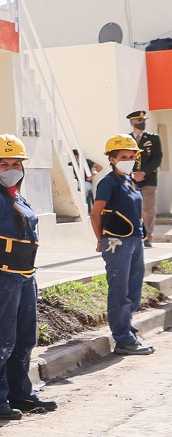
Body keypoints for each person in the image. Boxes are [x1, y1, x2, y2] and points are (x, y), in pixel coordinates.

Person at [0, 134, 56, 423]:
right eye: (4, 164)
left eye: (16, 163)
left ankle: (20, 394)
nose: (11, 168)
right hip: (0, 277)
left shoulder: (16, 196)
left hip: (24, 276)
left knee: (24, 338)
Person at [92, 133, 155, 357]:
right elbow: (95, 213)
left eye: (131, 156)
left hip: (135, 239)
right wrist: (101, 240)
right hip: (117, 241)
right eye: (123, 156)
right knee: (119, 292)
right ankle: (123, 339)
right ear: (112, 159)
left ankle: (129, 332)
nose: (128, 159)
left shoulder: (130, 180)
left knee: (134, 290)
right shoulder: (108, 182)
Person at [128, 110, 162, 246]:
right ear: (132, 123)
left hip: (149, 179)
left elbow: (157, 159)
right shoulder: (127, 139)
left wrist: (143, 173)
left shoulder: (153, 138)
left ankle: (147, 238)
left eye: (144, 121)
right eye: (140, 121)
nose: (143, 123)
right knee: (132, 207)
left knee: (148, 209)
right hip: (131, 180)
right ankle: (134, 235)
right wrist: (133, 174)